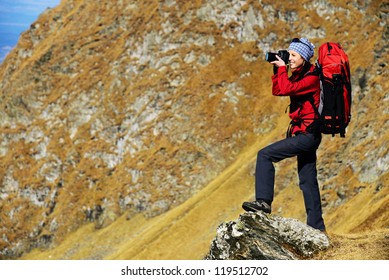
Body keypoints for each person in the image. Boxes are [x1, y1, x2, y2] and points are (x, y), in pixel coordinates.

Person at [242, 38, 326, 231]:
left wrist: (282, 68)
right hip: (304, 134)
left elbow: (287, 88)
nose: (290, 58)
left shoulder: (311, 78)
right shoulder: (300, 74)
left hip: (307, 135)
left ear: (304, 57)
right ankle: (317, 227)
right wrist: (277, 69)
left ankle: (263, 202)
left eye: (294, 55)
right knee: (307, 180)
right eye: (289, 54)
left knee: (265, 155)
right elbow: (279, 90)